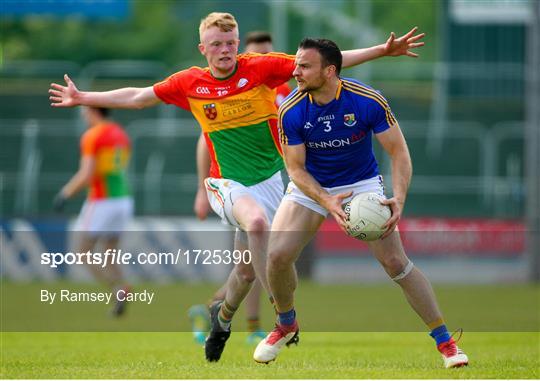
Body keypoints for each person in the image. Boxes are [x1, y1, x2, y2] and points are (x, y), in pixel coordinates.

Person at [48, 12, 425, 362]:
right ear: (203, 49)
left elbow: (324, 62)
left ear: (238, 42)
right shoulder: (190, 83)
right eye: (216, 44)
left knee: (246, 272)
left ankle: (222, 316)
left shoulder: (260, 69)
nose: (225, 50)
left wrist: (382, 50)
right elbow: (137, 96)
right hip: (225, 182)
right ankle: (284, 318)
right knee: (258, 225)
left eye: (230, 42)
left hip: (271, 181)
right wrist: (84, 97)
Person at [252, 38, 469, 369]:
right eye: (296, 64)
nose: (295, 71)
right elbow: (294, 169)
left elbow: (399, 152)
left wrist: (399, 198)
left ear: (330, 71)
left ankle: (446, 343)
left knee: (396, 263)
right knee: (278, 255)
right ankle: (286, 323)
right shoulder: (291, 109)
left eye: (304, 66)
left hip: (361, 185)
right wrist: (325, 199)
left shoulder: (368, 100)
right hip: (312, 184)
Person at [189, 30, 293, 346]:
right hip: (237, 183)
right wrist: (200, 190)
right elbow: (206, 141)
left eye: (267, 54)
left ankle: (213, 310)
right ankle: (255, 326)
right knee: (261, 253)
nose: (261, 60)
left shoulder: (283, 88)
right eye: (256, 54)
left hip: (273, 178)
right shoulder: (225, 89)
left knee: (250, 265)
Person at [53, 106, 133, 317]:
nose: (84, 117)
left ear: (94, 112)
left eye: (85, 113)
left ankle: (117, 290)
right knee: (109, 253)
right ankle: (122, 288)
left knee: (83, 252)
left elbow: (86, 175)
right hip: (123, 199)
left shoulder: (93, 135)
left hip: (101, 200)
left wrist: (65, 194)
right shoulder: (120, 133)